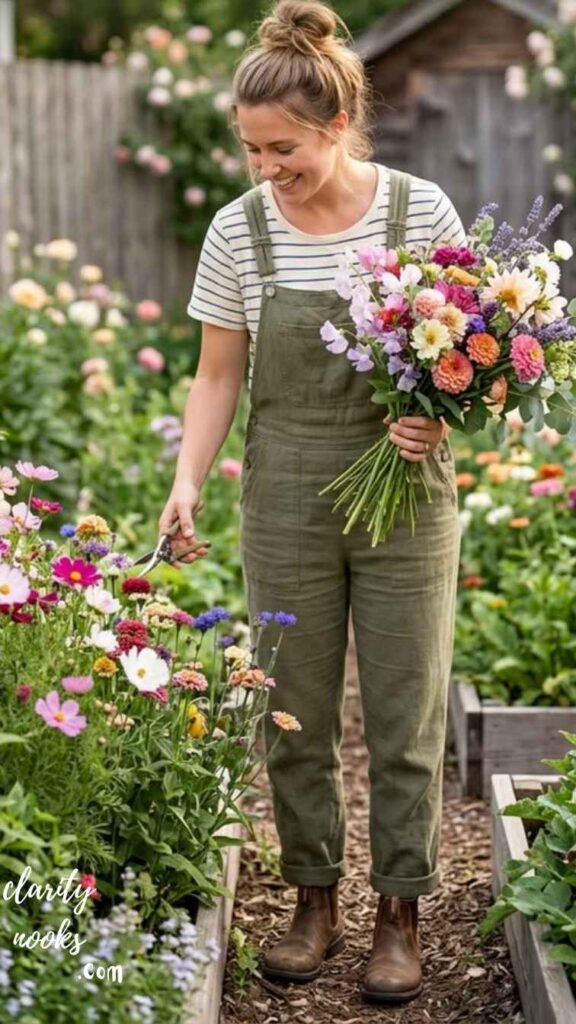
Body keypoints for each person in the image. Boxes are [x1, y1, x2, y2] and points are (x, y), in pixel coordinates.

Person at [159, 0, 465, 1005]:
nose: (263, 168)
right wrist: (188, 479)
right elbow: (216, 376)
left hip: (405, 497)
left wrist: (433, 419)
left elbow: (461, 359)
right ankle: (312, 898)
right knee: (289, 708)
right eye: (250, 148)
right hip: (285, 488)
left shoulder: (418, 213)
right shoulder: (237, 231)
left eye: (281, 148)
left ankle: (403, 913)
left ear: (338, 126)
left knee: (404, 713)